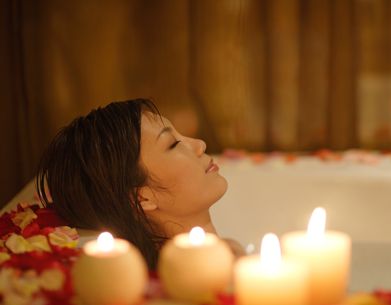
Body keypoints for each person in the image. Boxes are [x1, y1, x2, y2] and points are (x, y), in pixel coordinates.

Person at [36, 98, 243, 269]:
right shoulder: (188, 281)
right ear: (143, 197)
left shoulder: (225, 260)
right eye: (173, 144)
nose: (200, 145)